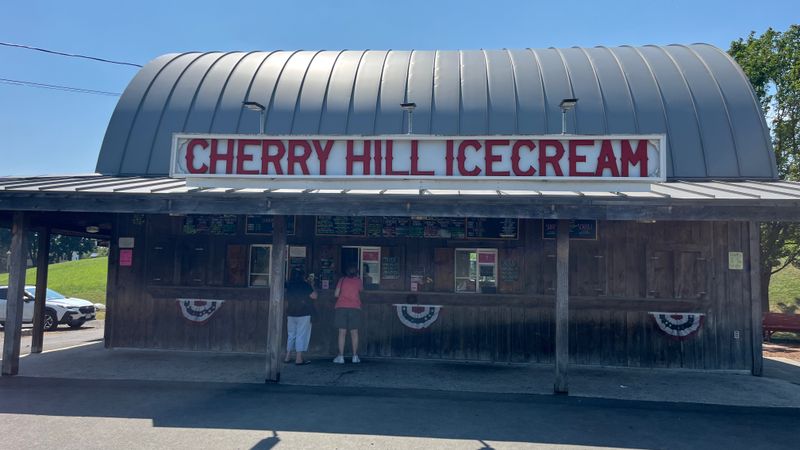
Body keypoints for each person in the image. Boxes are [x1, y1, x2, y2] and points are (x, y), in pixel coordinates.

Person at [284, 267, 317, 365]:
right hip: (304, 313)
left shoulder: (288, 284)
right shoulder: (305, 285)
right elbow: (314, 296)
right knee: (301, 335)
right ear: (303, 276)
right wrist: (312, 285)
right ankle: (298, 359)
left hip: (291, 313)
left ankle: (287, 356)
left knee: (291, 335)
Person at [333, 265, 363, 364]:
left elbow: (336, 294)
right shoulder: (358, 281)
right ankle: (355, 356)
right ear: (356, 272)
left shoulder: (342, 280)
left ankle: (341, 357)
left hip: (341, 307)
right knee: (354, 333)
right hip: (355, 308)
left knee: (342, 332)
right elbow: (361, 291)